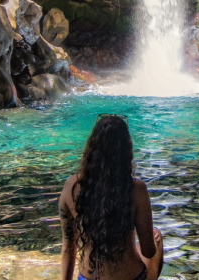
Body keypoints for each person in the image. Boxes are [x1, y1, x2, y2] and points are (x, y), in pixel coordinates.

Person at [58, 115, 164, 280]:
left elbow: (68, 249)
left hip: (87, 278)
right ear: (126, 150)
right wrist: (154, 238)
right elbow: (148, 251)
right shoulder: (136, 189)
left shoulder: (71, 187)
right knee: (156, 238)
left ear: (92, 148)